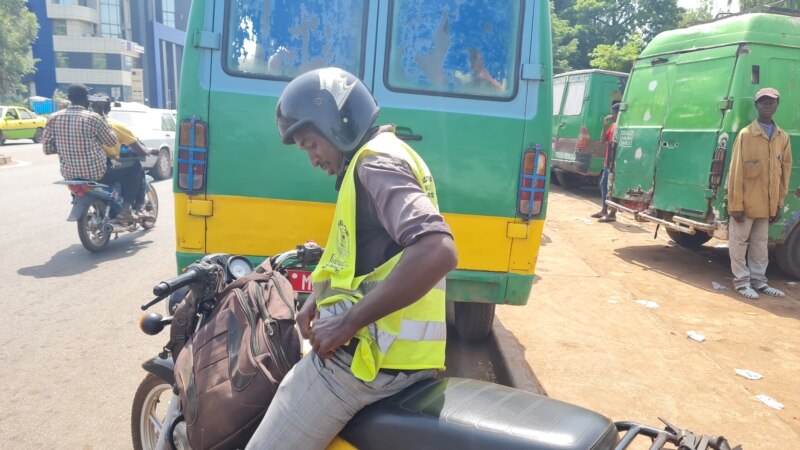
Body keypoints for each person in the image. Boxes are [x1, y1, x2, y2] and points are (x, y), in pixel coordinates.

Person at [245, 67, 458, 450]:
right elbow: (373, 256)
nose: (312, 159)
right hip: (405, 358)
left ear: (337, 123)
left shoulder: (373, 164)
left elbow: (436, 249)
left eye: (312, 144)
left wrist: (347, 323)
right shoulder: (391, 152)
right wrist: (317, 298)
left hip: (364, 364)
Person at [42, 84, 142, 222]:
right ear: (87, 99)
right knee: (135, 166)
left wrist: (66, 146)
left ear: (69, 98)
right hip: (98, 173)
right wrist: (102, 117)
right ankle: (125, 210)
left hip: (70, 174)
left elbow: (47, 149)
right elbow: (111, 141)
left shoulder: (53, 118)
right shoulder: (93, 118)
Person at [727, 87, 792, 300]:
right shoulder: (746, 135)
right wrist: (735, 204)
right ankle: (742, 282)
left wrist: (779, 204)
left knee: (760, 244)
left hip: (767, 205)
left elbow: (784, 174)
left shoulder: (783, 137)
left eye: (771, 102)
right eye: (763, 102)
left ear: (777, 105)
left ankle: (759, 281)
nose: (767, 105)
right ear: (756, 105)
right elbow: (735, 171)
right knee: (739, 243)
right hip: (745, 205)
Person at [89, 92, 158, 216]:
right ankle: (126, 209)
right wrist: (149, 151)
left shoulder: (83, 123)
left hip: (81, 172)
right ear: (109, 108)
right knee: (136, 166)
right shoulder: (114, 125)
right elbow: (139, 149)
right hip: (104, 168)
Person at [592, 102, 620, 222]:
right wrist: (604, 126)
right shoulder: (613, 125)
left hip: (615, 163)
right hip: (608, 161)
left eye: (613, 113)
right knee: (604, 184)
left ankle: (612, 213)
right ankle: (604, 209)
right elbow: (603, 140)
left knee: (612, 188)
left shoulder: (621, 126)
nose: (611, 115)